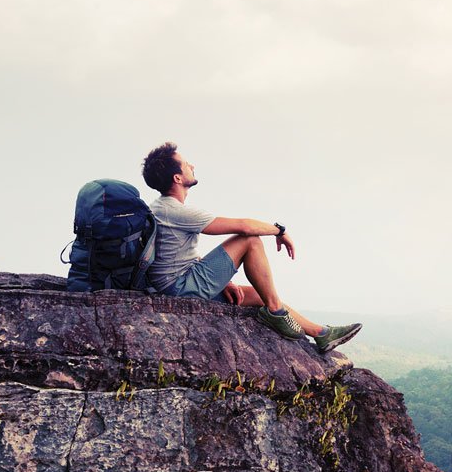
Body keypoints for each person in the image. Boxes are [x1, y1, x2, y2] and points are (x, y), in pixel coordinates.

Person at [140, 142, 361, 353]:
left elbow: (174, 254)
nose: (192, 166)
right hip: (179, 287)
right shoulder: (175, 211)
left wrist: (224, 281)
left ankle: (321, 333)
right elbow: (245, 227)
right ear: (177, 178)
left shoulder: (162, 208)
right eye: (186, 164)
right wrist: (280, 231)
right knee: (251, 241)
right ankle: (276, 312)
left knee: (257, 294)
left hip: (177, 282)